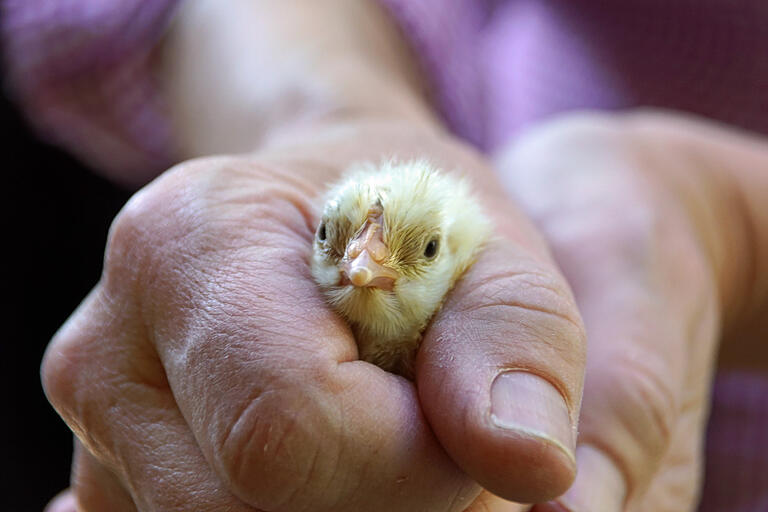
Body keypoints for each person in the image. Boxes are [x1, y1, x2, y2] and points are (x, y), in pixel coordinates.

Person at [4, 1, 767, 511]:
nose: (365, 265)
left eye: (421, 252)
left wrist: (736, 227)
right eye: (342, 241)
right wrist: (327, 111)